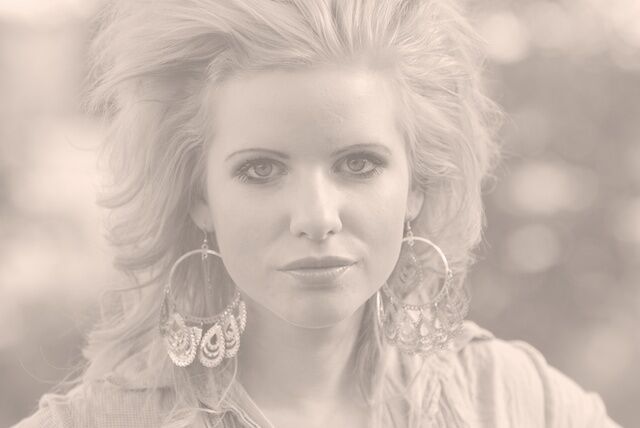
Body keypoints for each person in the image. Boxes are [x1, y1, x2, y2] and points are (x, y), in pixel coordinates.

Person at [13, 0, 621, 427]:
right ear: (198, 196)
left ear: (418, 184)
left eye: (358, 164)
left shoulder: (515, 403)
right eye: (261, 170)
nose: (316, 216)